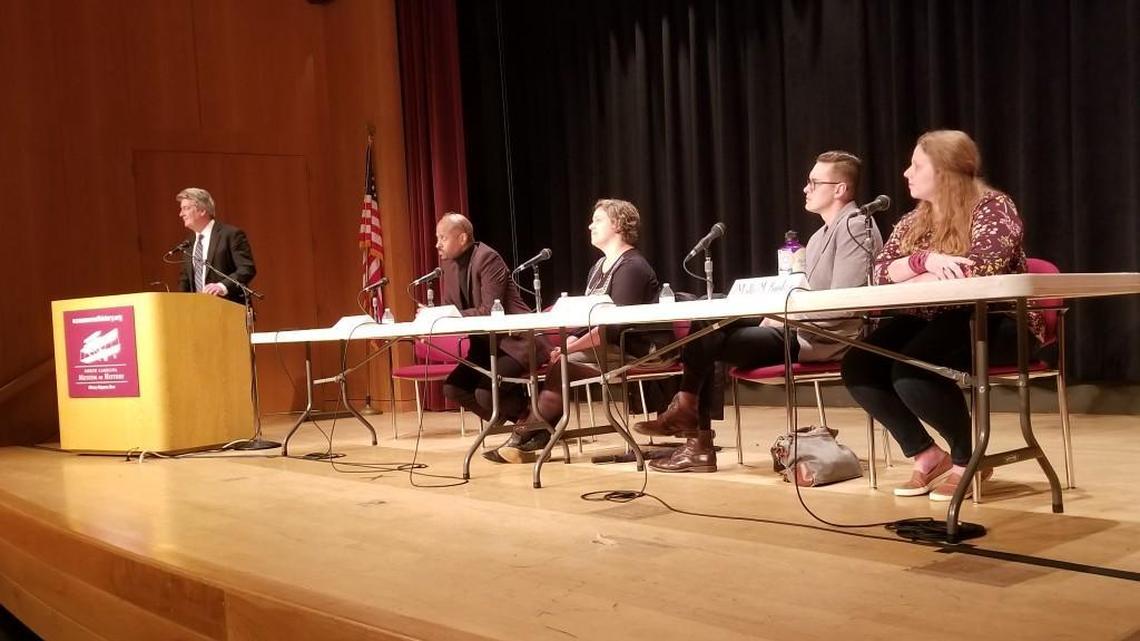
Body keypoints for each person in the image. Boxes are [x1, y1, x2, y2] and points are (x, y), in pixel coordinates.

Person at [635, 150, 883, 473]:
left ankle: (692, 426)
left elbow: (839, 305)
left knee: (709, 338)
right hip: (796, 329)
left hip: (821, 339)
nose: (805, 189)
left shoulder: (856, 227)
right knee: (713, 313)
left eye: (813, 182)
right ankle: (689, 417)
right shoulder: (820, 235)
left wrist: (783, 313)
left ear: (840, 189)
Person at [840, 130, 1044, 501]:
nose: (906, 172)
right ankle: (927, 455)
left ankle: (969, 460)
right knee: (859, 363)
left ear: (947, 171)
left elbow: (984, 269)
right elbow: (878, 273)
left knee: (914, 369)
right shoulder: (911, 222)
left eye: (917, 165)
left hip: (995, 321)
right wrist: (924, 261)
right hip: (933, 319)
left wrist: (911, 271)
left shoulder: (993, 207)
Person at [484, 198, 672, 464]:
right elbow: (586, 320)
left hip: (631, 350)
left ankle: (525, 436)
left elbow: (611, 326)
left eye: (598, 220)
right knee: (558, 363)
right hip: (603, 348)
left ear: (617, 224)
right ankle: (532, 436)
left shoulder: (632, 267)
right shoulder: (597, 268)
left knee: (563, 364)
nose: (589, 226)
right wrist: (566, 343)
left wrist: (568, 348)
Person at [437, 213, 549, 425]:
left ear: (462, 238)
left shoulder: (488, 258)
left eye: (442, 238)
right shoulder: (449, 266)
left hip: (516, 344)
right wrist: (434, 316)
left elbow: (490, 310)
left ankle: (536, 420)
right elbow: (450, 309)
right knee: (453, 388)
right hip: (485, 347)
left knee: (485, 394)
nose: (437, 244)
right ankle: (524, 421)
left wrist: (449, 315)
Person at [176, 188, 257, 304]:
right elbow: (185, 281)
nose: (181, 214)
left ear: (202, 210)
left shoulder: (230, 235)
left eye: (186, 208)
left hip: (229, 308)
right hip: (197, 313)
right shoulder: (189, 243)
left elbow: (246, 269)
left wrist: (222, 286)